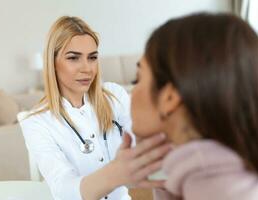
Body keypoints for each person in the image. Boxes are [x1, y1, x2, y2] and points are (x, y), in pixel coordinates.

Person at [18, 16, 171, 200]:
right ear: (52, 62)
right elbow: (64, 189)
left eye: (92, 58)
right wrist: (116, 172)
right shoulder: (36, 121)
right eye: (73, 58)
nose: (87, 68)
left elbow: (145, 144)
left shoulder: (115, 96)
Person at [131, 13, 258, 200]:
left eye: (138, 79)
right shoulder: (212, 177)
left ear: (170, 97)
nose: (132, 92)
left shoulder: (218, 190)